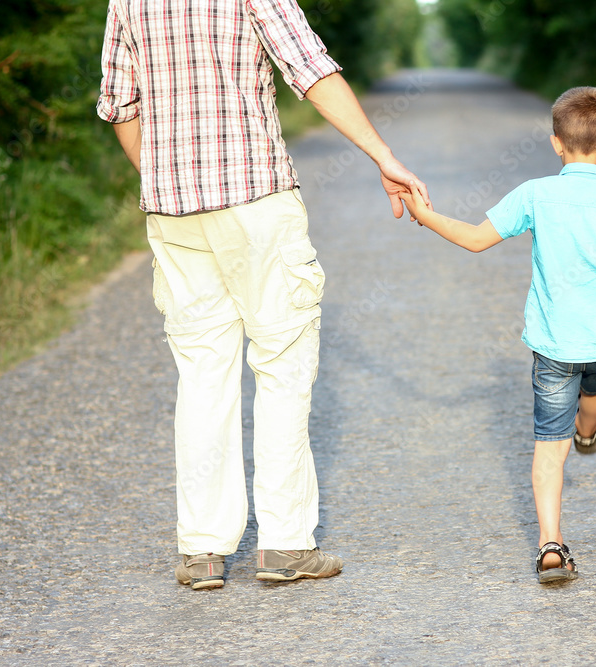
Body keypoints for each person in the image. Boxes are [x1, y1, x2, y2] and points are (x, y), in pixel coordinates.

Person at [97, 0, 429, 589]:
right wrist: (384, 155)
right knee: (282, 366)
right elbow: (311, 71)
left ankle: (202, 550)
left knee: (203, 373)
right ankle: (285, 544)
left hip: (173, 212)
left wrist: (165, 178)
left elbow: (120, 105)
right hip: (254, 200)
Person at [399, 86, 596, 583]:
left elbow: (475, 239)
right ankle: (589, 430)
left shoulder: (535, 194)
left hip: (555, 345)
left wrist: (425, 215)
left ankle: (550, 547)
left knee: (549, 446)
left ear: (556, 143)